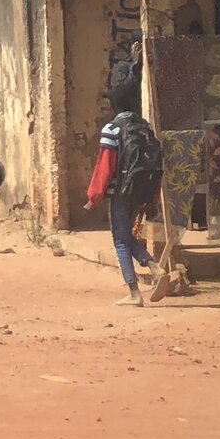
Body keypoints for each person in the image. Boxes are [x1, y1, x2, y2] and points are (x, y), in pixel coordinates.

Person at [86, 66, 165, 307]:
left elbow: (105, 166)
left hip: (120, 193)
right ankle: (153, 267)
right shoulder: (145, 127)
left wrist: (94, 196)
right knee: (127, 235)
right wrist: (152, 199)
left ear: (115, 105)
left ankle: (134, 292)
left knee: (120, 240)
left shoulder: (111, 130)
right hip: (141, 191)